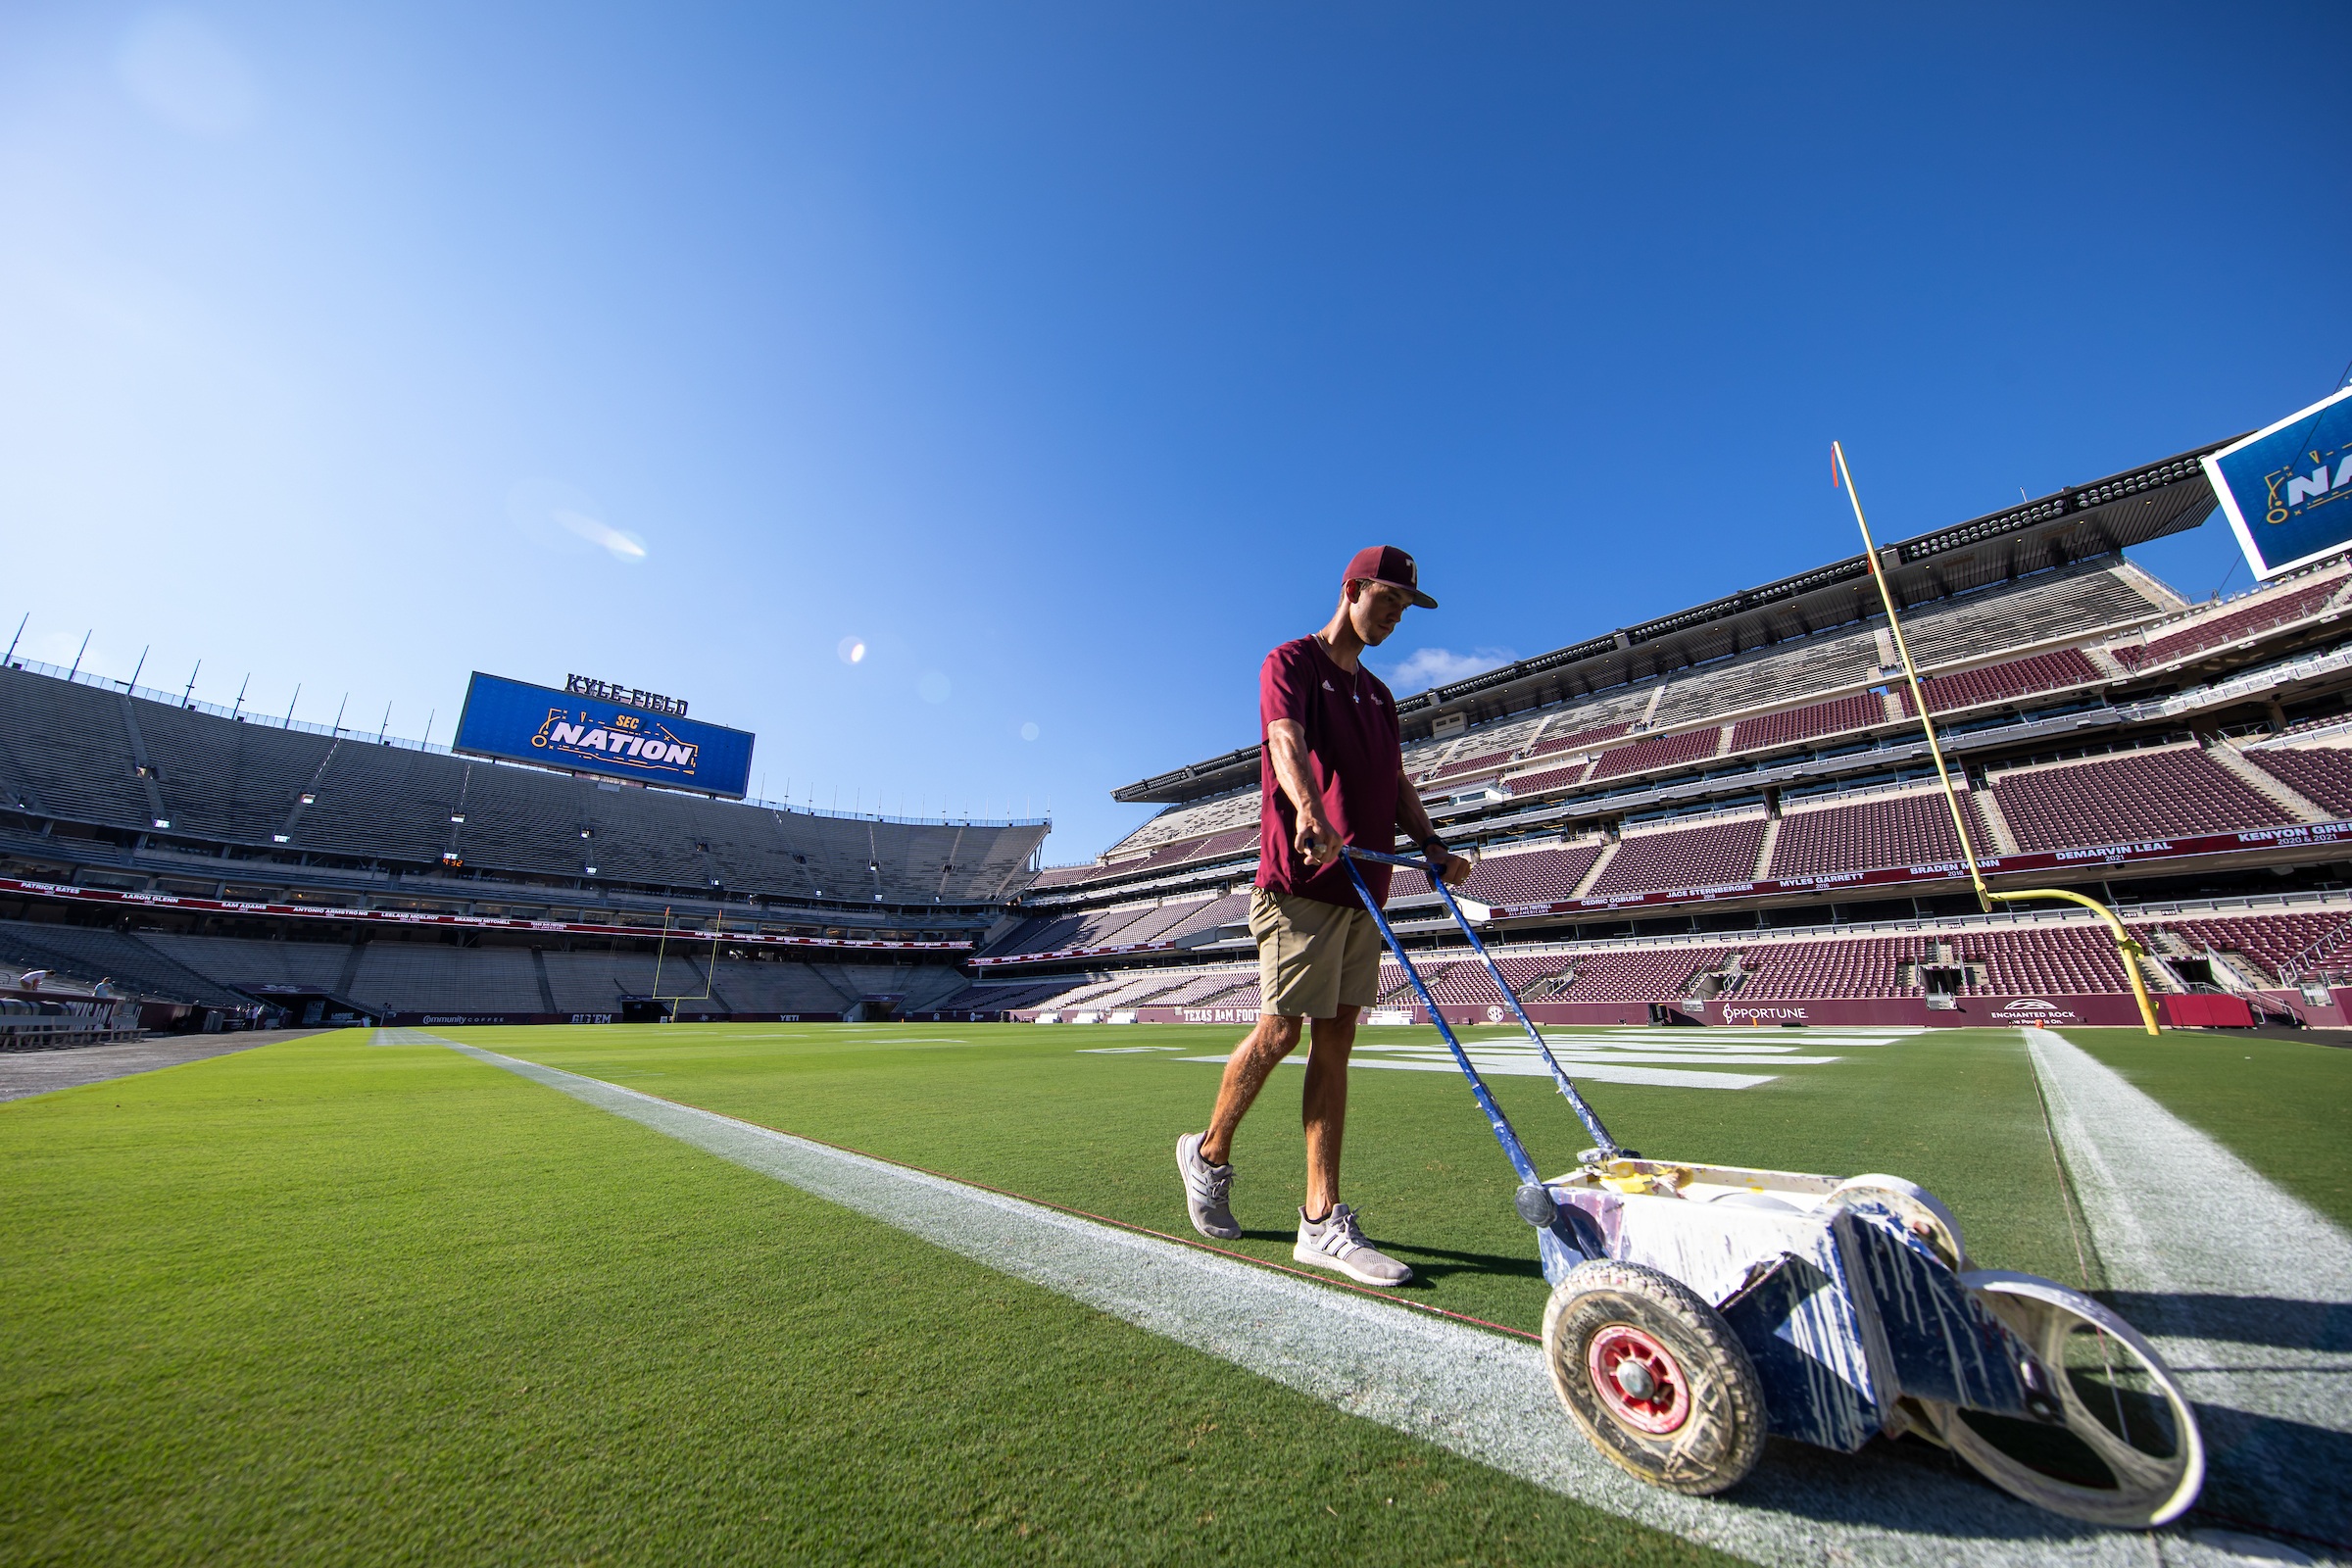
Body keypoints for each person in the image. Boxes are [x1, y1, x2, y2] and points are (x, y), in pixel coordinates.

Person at [1176, 545, 1472, 1285]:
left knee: (1336, 1041)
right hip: (1302, 881)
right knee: (1280, 1029)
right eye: (1390, 602)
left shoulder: (1380, 698)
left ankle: (1320, 1220)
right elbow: (1285, 740)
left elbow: (1393, 780)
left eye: (1407, 609)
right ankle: (1208, 1153)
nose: (1397, 619)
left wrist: (1432, 842)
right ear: (1352, 590)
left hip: (1367, 889)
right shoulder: (1293, 662)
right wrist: (1308, 812)